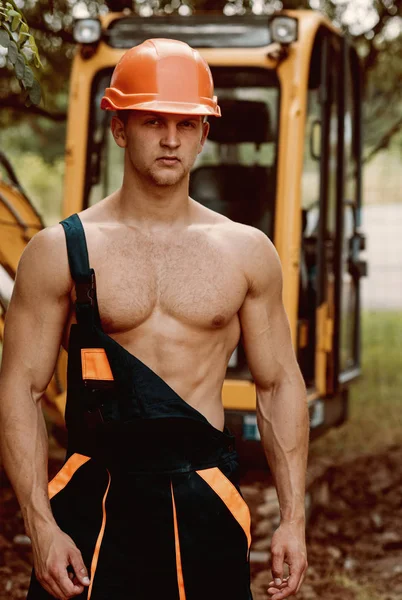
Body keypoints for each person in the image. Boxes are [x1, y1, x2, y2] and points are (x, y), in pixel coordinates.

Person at [0, 38, 309, 600]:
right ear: (120, 129)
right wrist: (41, 527)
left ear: (204, 133)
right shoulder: (58, 252)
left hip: (206, 495)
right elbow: (19, 388)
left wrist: (293, 517)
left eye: (187, 124)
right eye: (152, 122)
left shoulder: (246, 252)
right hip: (94, 493)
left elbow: (278, 383)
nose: (171, 139)